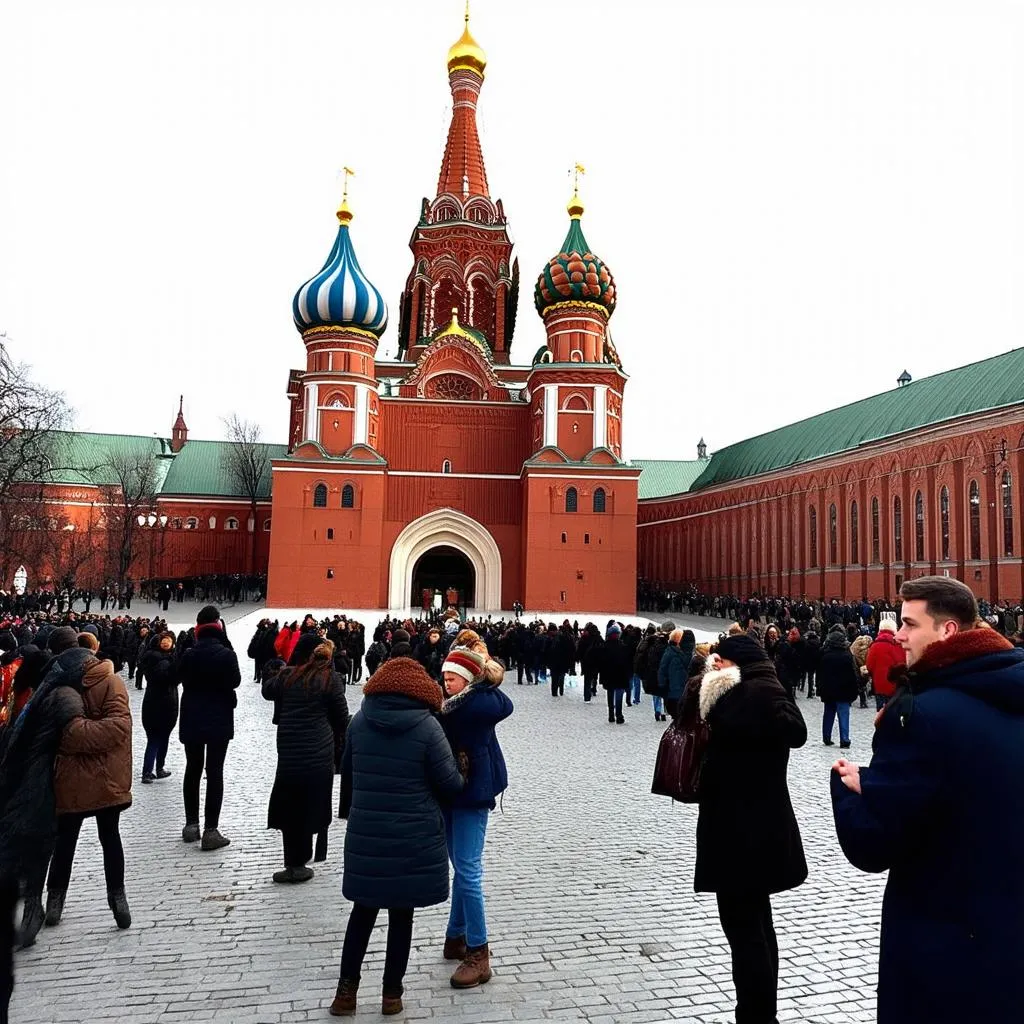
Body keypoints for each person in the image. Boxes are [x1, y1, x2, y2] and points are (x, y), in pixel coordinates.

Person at [831, 576, 1024, 1024]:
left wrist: (849, 786)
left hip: (943, 944)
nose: (898, 635)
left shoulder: (921, 715)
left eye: (909, 624)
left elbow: (873, 843)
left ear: (948, 632)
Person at [330, 656, 463, 1017]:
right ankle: (392, 995)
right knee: (401, 916)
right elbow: (449, 784)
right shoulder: (428, 727)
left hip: (368, 835)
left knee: (362, 913)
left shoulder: (359, 722)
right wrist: (464, 768)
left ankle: (346, 993)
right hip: (411, 836)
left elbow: (347, 774)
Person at [694, 633, 807, 1024]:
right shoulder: (769, 690)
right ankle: (761, 1013)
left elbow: (794, 731)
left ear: (732, 663)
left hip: (736, 831)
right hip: (763, 826)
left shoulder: (737, 695)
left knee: (744, 932)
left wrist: (722, 692)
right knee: (758, 925)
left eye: (718, 661)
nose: (713, 667)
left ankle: (755, 1016)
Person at [0, 642, 89, 1020]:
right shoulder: (52, 699)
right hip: (34, 797)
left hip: (27, 796)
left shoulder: (34, 701)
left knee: (30, 859)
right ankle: (34, 914)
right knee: (32, 859)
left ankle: (35, 916)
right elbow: (80, 735)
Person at [438, 643, 512, 989]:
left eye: (452, 677)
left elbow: (502, 703)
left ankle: (479, 953)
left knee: (468, 869)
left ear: (469, 678)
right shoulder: (457, 702)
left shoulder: (476, 704)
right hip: (453, 789)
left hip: (472, 791)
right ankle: (456, 936)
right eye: (444, 677)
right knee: (461, 866)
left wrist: (485, 676)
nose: (446, 682)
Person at [45, 650, 133, 930]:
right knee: (68, 841)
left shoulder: (110, 682)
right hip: (85, 779)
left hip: (98, 777)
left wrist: (75, 736)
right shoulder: (62, 688)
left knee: (104, 837)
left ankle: (116, 897)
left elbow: (119, 726)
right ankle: (57, 900)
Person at [263, 635, 349, 883]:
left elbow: (268, 690)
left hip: (289, 752)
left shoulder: (287, 675)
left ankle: (293, 862)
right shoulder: (329, 679)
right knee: (312, 802)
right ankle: (306, 856)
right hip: (319, 751)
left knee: (290, 804)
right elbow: (341, 718)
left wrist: (277, 667)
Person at [177, 606, 241, 851]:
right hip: (219, 717)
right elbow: (235, 681)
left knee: (192, 768)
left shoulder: (189, 654)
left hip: (192, 716)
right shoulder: (226, 654)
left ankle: (191, 824)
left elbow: (179, 675)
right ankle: (211, 830)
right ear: (218, 626)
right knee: (214, 771)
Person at [138, 631, 179, 783]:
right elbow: (172, 678)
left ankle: (157, 768)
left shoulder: (152, 657)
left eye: (169, 640)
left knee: (159, 738)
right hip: (164, 704)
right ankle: (149, 771)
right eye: (164, 640)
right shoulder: (164, 660)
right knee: (157, 738)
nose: (166, 643)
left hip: (154, 703)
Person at [816, 624, 858, 748]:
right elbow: (852, 674)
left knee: (828, 713)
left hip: (828, 691)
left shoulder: (824, 655)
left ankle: (826, 737)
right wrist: (854, 689)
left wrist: (819, 688)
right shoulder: (847, 656)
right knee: (843, 714)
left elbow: (819, 674)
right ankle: (844, 738)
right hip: (843, 691)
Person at [864, 614, 903, 710]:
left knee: (881, 714)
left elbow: (869, 666)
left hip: (879, 685)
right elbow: (902, 663)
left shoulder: (874, 645)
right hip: (896, 686)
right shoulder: (898, 644)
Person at [658, 628, 695, 720]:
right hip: (689, 694)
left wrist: (662, 686)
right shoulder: (695, 655)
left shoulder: (670, 652)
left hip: (673, 692)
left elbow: (662, 670)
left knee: (677, 718)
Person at [599, 623, 632, 724]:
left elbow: (601, 663)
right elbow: (627, 662)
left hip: (608, 675)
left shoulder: (604, 646)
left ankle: (611, 715)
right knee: (618, 695)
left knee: (610, 694)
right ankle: (619, 715)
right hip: (620, 675)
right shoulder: (623, 647)